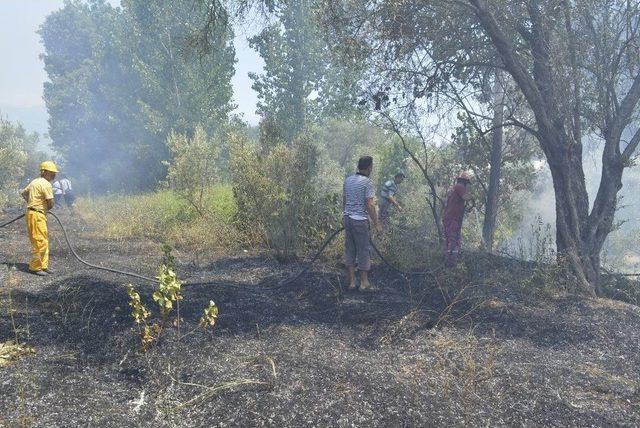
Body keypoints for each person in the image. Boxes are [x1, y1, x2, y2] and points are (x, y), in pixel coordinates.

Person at [343, 155, 382, 291]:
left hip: (347, 219)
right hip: (359, 221)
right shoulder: (367, 182)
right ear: (369, 167)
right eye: (372, 166)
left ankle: (352, 282)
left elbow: (345, 200)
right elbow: (370, 205)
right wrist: (376, 223)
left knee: (350, 250)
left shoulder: (348, 180)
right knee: (363, 250)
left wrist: (346, 215)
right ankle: (364, 283)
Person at [21, 161, 58, 276]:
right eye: (51, 173)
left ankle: (43, 265)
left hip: (34, 213)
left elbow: (23, 193)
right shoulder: (46, 184)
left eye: (54, 173)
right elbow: (51, 203)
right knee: (39, 241)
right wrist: (37, 206)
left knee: (43, 241)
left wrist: (31, 203)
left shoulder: (34, 181)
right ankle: (35, 267)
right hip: (37, 215)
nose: (53, 175)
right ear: (44, 172)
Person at [442, 171, 474, 267]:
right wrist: (472, 197)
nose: (467, 186)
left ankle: (451, 262)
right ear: (464, 181)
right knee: (454, 241)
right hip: (452, 219)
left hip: (451, 218)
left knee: (453, 240)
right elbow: (466, 197)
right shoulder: (460, 187)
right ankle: (450, 263)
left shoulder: (454, 189)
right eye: (467, 183)